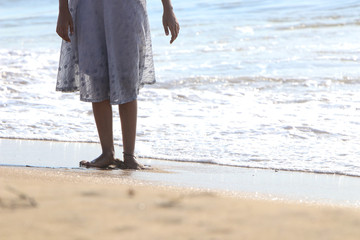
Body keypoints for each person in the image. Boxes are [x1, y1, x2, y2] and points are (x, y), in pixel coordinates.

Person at [55, 0, 179, 169]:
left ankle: (129, 156)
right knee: (96, 76)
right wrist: (63, 10)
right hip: (89, 8)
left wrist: (168, 8)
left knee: (126, 76)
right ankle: (107, 153)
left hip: (127, 9)